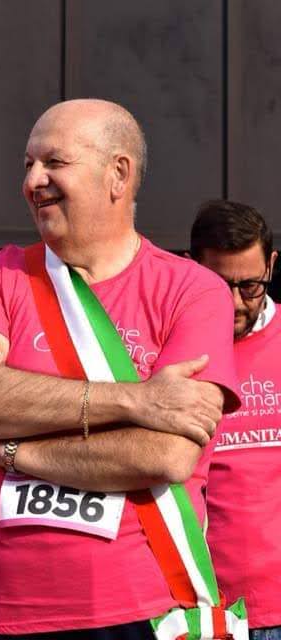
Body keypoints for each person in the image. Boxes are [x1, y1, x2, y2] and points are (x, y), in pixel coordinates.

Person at [0, 99, 242, 638]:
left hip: (143, 609)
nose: (33, 181)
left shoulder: (194, 291)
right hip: (6, 612)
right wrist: (136, 401)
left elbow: (167, 454)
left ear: (118, 174)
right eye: (27, 164)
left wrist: (16, 449)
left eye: (54, 162)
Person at [190, 200, 280, 639]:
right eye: (219, 285)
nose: (235, 303)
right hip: (207, 612)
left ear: (271, 266)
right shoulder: (171, 351)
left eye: (250, 286)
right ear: (191, 269)